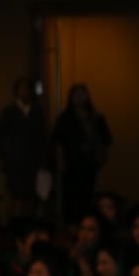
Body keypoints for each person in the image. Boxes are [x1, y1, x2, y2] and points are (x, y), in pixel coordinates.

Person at [52, 83, 112, 224]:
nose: (79, 98)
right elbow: (58, 141)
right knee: (70, 194)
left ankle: (86, 220)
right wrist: (61, 160)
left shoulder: (96, 117)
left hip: (90, 162)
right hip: (71, 162)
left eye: (82, 94)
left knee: (87, 193)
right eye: (76, 95)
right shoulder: (65, 118)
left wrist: (101, 156)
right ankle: (70, 222)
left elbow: (105, 139)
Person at [0, 77, 47, 219]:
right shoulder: (8, 112)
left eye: (27, 88)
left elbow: (42, 137)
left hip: (33, 161)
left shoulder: (37, 112)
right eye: (21, 88)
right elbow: (0, 137)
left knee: (31, 195)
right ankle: (14, 222)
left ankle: (29, 222)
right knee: (14, 193)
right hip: (14, 161)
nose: (24, 91)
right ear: (16, 91)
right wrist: (4, 159)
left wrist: (43, 159)